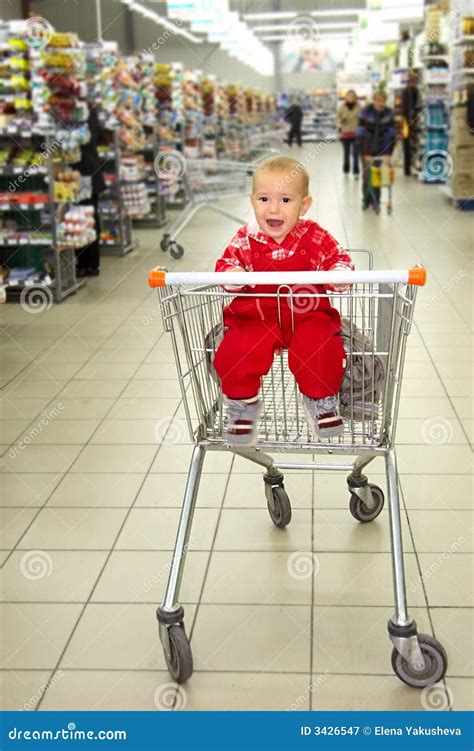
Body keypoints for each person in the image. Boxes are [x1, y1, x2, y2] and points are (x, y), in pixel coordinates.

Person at [213, 155, 354, 446]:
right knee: (237, 348)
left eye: (286, 200)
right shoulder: (245, 238)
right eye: (264, 198)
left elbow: (337, 259)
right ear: (252, 202)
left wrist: (338, 273)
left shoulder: (314, 236)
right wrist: (233, 275)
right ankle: (242, 405)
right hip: (257, 317)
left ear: (304, 205)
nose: (273, 208)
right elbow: (226, 264)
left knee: (321, 342)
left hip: (306, 314)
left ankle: (320, 400)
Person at [74, 102, 105, 277]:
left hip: (83, 171)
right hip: (89, 169)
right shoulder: (89, 109)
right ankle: (89, 263)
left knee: (85, 214)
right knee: (89, 214)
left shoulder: (81, 110)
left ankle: (87, 263)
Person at [356, 90, 396, 210]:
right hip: (367, 148)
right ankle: (366, 200)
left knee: (377, 176)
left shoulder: (389, 114)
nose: (381, 103)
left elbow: (391, 135)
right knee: (367, 176)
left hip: (381, 149)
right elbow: (360, 134)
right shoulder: (365, 113)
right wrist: (364, 153)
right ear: (374, 100)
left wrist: (388, 153)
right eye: (378, 100)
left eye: (383, 101)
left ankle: (376, 201)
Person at [336, 89, 361, 177]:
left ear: (355, 98)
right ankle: (346, 169)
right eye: (349, 96)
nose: (350, 98)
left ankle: (356, 171)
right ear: (346, 97)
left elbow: (362, 119)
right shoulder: (342, 107)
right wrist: (341, 120)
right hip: (345, 133)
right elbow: (337, 118)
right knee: (346, 153)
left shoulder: (359, 107)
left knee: (355, 153)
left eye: (352, 96)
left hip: (356, 134)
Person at [401, 70, 421, 177]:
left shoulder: (408, 91)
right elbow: (410, 107)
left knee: (408, 144)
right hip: (408, 121)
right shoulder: (411, 91)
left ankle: (409, 168)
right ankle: (409, 168)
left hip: (408, 121)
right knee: (409, 144)